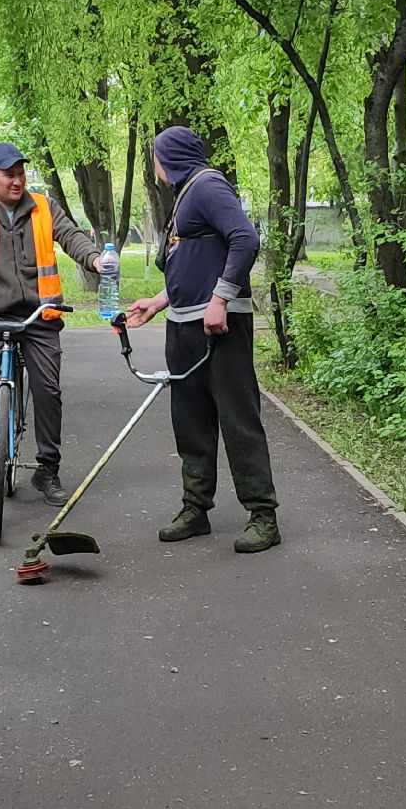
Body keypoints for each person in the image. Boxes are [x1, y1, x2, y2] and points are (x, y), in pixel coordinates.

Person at [122, 126, 281, 553]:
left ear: (166, 158)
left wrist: (220, 299)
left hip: (219, 325)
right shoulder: (186, 193)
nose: (153, 164)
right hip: (183, 321)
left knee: (237, 416)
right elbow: (193, 259)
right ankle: (196, 508)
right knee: (190, 419)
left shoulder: (208, 185)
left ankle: (263, 516)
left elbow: (245, 239)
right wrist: (158, 301)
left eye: (154, 155)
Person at [0, 142, 117, 506]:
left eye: (21, 173)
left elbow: (71, 236)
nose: (18, 180)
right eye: (9, 175)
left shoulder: (43, 206)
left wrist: (93, 260)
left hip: (40, 315)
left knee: (47, 390)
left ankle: (48, 469)